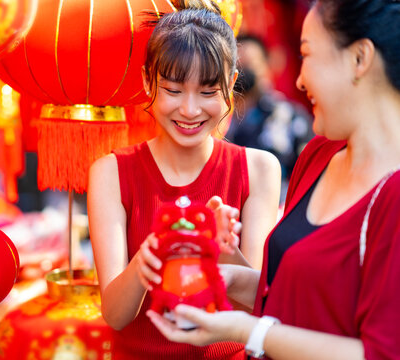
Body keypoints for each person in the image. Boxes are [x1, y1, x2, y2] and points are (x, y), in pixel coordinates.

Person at [146, 1, 400, 359]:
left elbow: (381, 352)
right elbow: (291, 294)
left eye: (307, 55)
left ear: (360, 58)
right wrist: (231, 276)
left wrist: (246, 330)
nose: (298, 79)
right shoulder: (318, 156)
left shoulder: (392, 192)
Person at [87, 0, 281, 358]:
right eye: (174, 91)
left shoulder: (258, 169)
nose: (190, 110)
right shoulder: (111, 172)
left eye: (208, 92)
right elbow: (115, 315)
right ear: (148, 82)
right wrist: (146, 260)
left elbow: (261, 304)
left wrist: (226, 251)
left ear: (231, 83)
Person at [226, 34, 314, 199]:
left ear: (266, 66)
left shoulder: (289, 116)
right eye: (239, 65)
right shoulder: (220, 118)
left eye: (251, 65)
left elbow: (309, 174)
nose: (245, 73)